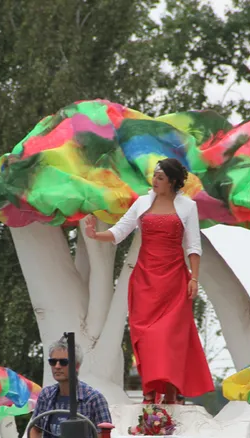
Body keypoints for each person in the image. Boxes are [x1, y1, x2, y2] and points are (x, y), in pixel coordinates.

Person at [84, 157, 214, 405]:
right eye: (154, 176)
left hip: (175, 279)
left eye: (160, 177)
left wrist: (194, 278)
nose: (154, 180)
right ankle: (150, 390)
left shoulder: (188, 207)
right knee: (146, 336)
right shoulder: (142, 203)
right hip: (145, 279)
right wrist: (95, 234)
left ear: (172, 181)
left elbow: (193, 245)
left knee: (170, 338)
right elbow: (119, 232)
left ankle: (172, 391)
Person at [10, 339, 112, 438]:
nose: (57, 366)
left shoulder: (94, 398)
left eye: (63, 362)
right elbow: (36, 428)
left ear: (76, 366)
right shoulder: (46, 395)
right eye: (53, 362)